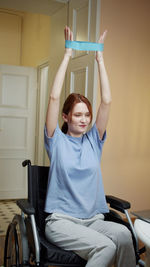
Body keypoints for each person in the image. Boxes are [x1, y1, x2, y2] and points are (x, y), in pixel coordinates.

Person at [44, 26, 136, 267]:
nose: (84, 119)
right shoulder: (56, 141)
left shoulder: (94, 140)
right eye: (77, 115)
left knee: (126, 236)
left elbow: (107, 101)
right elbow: (54, 98)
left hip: (93, 220)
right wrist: (67, 56)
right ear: (66, 117)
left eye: (87, 114)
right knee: (105, 246)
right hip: (62, 222)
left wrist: (100, 59)